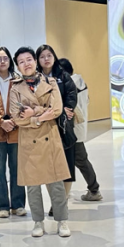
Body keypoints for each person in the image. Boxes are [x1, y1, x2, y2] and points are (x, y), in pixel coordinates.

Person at [9, 48, 71, 238]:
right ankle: (38, 221)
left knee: (56, 183)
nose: (26, 64)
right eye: (21, 62)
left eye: (29, 59)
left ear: (35, 61)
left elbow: (57, 109)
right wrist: (40, 117)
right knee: (32, 185)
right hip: (29, 140)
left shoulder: (50, 82)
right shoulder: (15, 88)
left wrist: (33, 112)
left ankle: (62, 220)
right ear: (17, 66)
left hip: (49, 137)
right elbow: (16, 117)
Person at [35, 45, 78, 207]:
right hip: (44, 126)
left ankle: (62, 201)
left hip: (63, 126)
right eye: (42, 56)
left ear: (54, 57)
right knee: (49, 167)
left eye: (49, 55)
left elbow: (72, 94)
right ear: (38, 60)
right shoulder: (35, 78)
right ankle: (55, 201)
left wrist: (67, 108)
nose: (46, 59)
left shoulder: (63, 75)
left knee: (67, 164)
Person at [59, 58, 103, 203]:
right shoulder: (81, 82)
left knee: (80, 161)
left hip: (72, 130)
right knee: (77, 161)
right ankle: (88, 189)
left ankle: (94, 190)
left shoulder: (68, 84)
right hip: (79, 128)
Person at [0, 47, 25, 217]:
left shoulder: (18, 80)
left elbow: (25, 104)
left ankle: (18, 205)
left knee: (17, 169)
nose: (2, 61)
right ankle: (2, 206)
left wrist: (14, 121)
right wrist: (0, 121)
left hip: (16, 131)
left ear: (10, 60)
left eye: (5, 58)